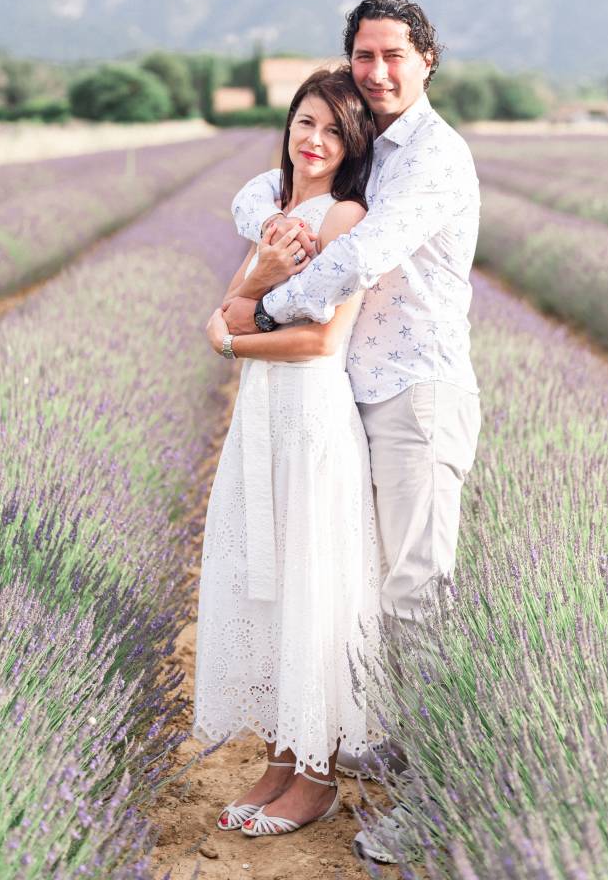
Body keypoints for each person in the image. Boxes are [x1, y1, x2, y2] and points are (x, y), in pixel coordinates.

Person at [223, 0, 482, 864]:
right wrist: (266, 225)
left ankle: (440, 800)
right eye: (363, 55)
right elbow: (266, 186)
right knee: (360, 587)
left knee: (417, 599)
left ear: (427, 61)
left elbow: (362, 257)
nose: (376, 71)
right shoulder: (369, 145)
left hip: (417, 396)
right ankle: (381, 743)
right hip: (353, 400)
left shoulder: (434, 157)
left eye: (393, 56)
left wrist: (257, 303)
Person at [193, 67, 382, 838]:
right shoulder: (275, 211)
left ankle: (317, 777)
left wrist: (237, 337)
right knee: (263, 579)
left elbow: (317, 340)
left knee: (312, 579)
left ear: (352, 145)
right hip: (261, 416)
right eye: (307, 122)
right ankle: (277, 761)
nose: (315, 140)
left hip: (308, 413)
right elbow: (230, 307)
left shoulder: (344, 218)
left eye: (335, 131)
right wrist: (260, 283)